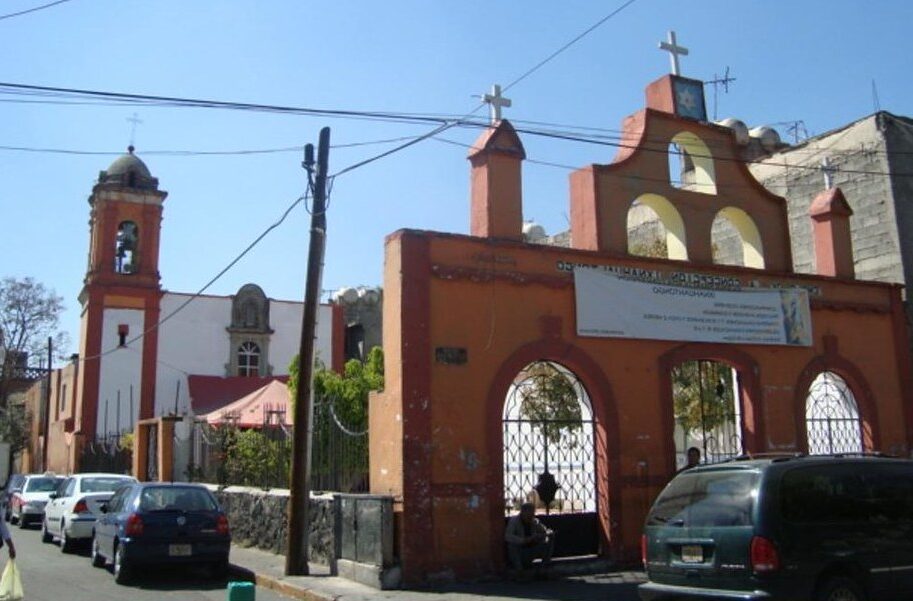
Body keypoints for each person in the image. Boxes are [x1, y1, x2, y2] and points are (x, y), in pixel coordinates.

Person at [505, 502, 553, 579]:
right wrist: (524, 540)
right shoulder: (514, 521)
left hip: (531, 551)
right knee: (511, 545)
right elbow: (508, 536)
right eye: (529, 513)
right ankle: (519, 571)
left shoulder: (534, 521)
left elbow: (545, 531)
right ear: (523, 512)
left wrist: (546, 534)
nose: (531, 515)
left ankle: (543, 568)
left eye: (532, 513)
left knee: (549, 542)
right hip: (520, 552)